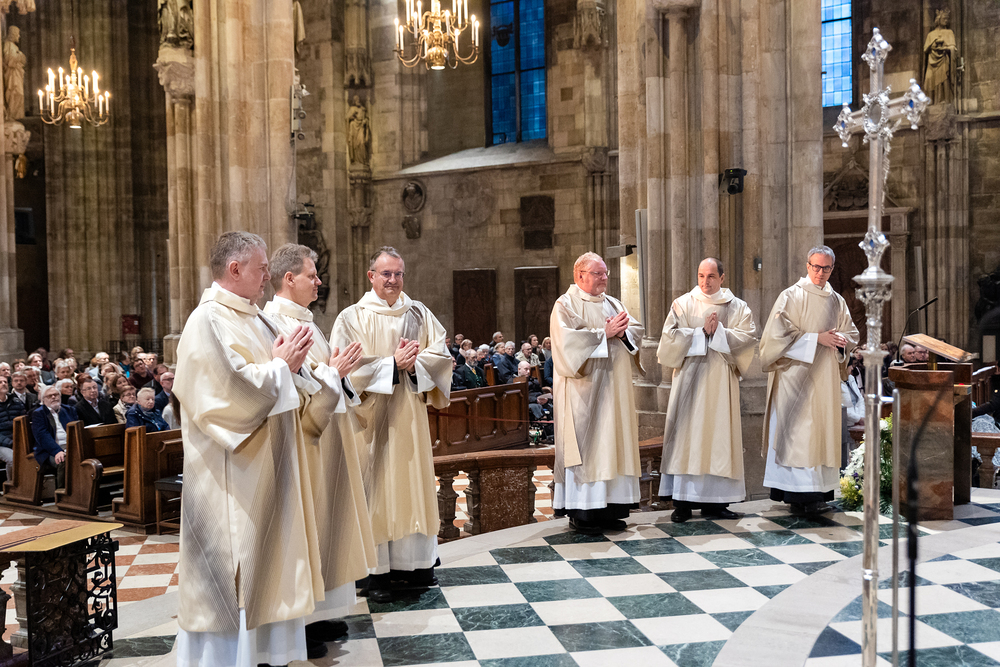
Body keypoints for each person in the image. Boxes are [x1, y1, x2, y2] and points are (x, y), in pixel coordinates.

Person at [172, 231, 323, 667]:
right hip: (232, 478)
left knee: (273, 569)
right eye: (261, 269)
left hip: (270, 469)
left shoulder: (258, 319)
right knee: (235, 574)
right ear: (234, 269)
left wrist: (296, 370)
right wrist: (281, 368)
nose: (267, 277)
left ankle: (269, 656)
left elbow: (291, 376)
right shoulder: (207, 321)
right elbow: (228, 393)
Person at [263, 243, 377, 645]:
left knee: (330, 524)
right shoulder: (276, 323)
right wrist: (333, 372)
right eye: (311, 276)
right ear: (288, 278)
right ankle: (305, 621)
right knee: (310, 527)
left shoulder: (305, 322)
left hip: (330, 437)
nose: (319, 282)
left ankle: (324, 612)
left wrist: (338, 374)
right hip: (307, 442)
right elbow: (296, 387)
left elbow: (320, 377)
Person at [331, 246, 451, 603]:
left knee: (412, 487)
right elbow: (343, 368)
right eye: (386, 274)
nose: (393, 280)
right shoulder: (352, 317)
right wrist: (390, 365)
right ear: (371, 276)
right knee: (377, 492)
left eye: (398, 274)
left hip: (410, 419)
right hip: (371, 424)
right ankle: (377, 573)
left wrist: (415, 366)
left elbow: (441, 355)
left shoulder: (419, 313)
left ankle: (416, 567)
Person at [760, 245, 859, 517]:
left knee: (820, 434)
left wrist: (841, 341)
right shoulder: (790, 296)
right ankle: (799, 496)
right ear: (807, 266)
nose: (820, 272)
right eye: (816, 266)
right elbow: (775, 338)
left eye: (826, 268)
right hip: (795, 380)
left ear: (832, 269)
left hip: (825, 380)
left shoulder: (837, 301)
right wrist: (817, 338)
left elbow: (851, 334)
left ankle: (818, 495)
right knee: (800, 436)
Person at [657, 258, 757, 522]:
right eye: (701, 275)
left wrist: (719, 333)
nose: (705, 281)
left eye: (711, 276)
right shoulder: (682, 304)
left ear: (722, 278)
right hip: (688, 384)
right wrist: (701, 332)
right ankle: (682, 503)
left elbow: (748, 339)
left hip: (720, 385)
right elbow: (668, 340)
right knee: (687, 438)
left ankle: (717, 503)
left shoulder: (737, 307)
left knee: (718, 437)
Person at [550, 252, 644, 534]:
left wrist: (623, 333)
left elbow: (635, 330)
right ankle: (583, 513)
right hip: (584, 395)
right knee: (587, 449)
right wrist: (604, 334)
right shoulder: (565, 305)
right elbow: (566, 345)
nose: (604, 277)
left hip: (614, 393)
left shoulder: (613, 303)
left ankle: (611, 510)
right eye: (598, 273)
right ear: (580, 275)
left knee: (613, 445)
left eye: (605, 273)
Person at [30, 386, 77, 489]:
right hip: (49, 451)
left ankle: (84, 490)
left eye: (56, 395)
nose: (53, 397)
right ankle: (63, 492)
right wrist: (57, 451)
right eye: (49, 396)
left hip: (71, 447)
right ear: (43, 400)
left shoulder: (69, 410)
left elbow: (77, 430)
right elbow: (42, 436)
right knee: (63, 460)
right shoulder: (39, 413)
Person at [0, 376, 25, 480]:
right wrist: (11, 443)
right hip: (2, 443)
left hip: (18, 440)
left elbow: (24, 423)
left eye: (5, 382)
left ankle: (29, 485)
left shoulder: (16, 402)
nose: (3, 384)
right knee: (13, 459)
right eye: (0, 382)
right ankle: (12, 486)